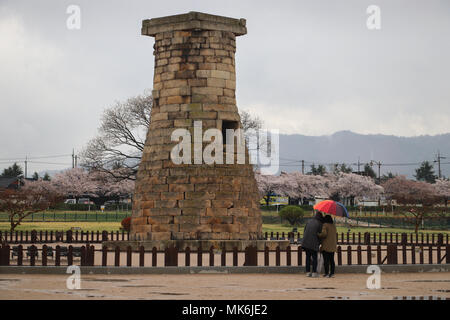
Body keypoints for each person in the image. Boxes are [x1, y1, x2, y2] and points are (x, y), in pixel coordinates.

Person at [301, 211, 323, 277]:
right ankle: (314, 272)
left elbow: (305, 231)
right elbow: (320, 234)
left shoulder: (309, 221)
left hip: (305, 242)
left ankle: (307, 272)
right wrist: (320, 243)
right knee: (314, 257)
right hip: (313, 243)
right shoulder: (319, 223)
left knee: (308, 257)